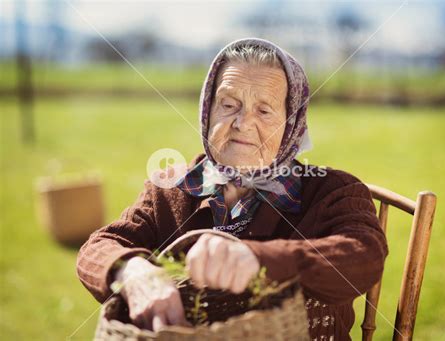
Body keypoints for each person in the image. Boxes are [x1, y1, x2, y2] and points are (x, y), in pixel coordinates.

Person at [77, 38, 389, 341]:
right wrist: (132, 273)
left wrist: (260, 258)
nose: (242, 122)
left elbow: (365, 255)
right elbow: (101, 245)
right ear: (207, 111)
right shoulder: (170, 187)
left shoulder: (332, 191)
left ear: (292, 125)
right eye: (228, 104)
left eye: (264, 111)